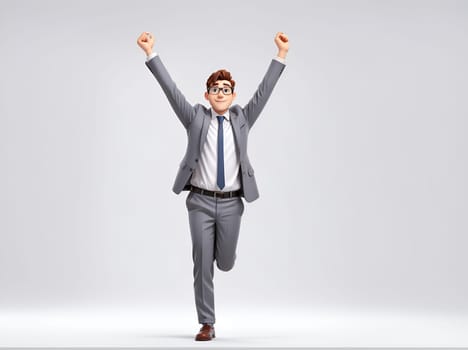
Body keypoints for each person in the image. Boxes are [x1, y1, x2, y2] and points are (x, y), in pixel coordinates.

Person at [137, 31, 288, 341]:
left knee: (226, 262)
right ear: (206, 95)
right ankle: (207, 322)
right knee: (202, 263)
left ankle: (225, 259)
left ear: (232, 95)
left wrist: (281, 54)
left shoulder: (243, 118)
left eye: (226, 89)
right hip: (200, 203)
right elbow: (170, 89)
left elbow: (265, 91)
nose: (220, 93)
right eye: (214, 89)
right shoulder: (195, 118)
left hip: (233, 203)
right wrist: (151, 52)